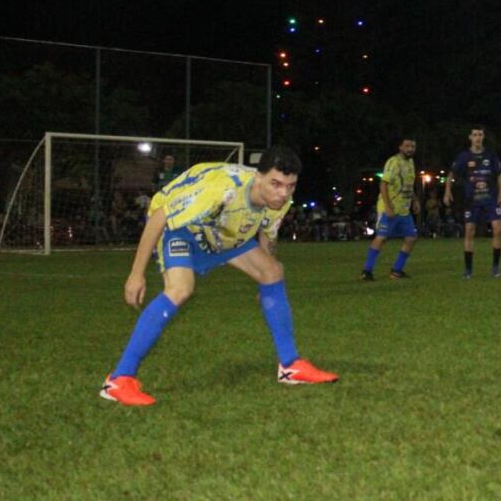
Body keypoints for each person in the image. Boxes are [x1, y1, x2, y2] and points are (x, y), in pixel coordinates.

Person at [100, 146, 337, 406]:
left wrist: (266, 280)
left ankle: (290, 365)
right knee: (180, 289)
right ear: (258, 177)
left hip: (223, 231)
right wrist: (136, 274)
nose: (283, 193)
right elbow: (160, 217)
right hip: (182, 230)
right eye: (276, 184)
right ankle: (119, 380)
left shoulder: (280, 201)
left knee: (273, 271)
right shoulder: (221, 189)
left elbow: (268, 235)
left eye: (290, 186)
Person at [443, 126, 501, 278]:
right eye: (475, 135)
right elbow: (451, 174)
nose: (478, 137)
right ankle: (468, 270)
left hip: (490, 198)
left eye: (480, 134)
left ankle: (495, 267)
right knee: (469, 231)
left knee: (497, 229)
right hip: (472, 200)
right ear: (470, 137)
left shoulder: (490, 154)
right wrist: (447, 191)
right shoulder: (464, 156)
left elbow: (499, 175)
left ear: (483, 137)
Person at [361, 138, 420, 280]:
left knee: (411, 238)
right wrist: (387, 206)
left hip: (403, 209)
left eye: (412, 146)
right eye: (407, 146)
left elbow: (408, 185)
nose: (410, 149)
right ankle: (367, 271)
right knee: (381, 238)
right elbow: (383, 184)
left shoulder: (410, 163)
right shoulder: (393, 162)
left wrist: (415, 200)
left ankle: (396, 270)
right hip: (390, 207)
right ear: (400, 147)